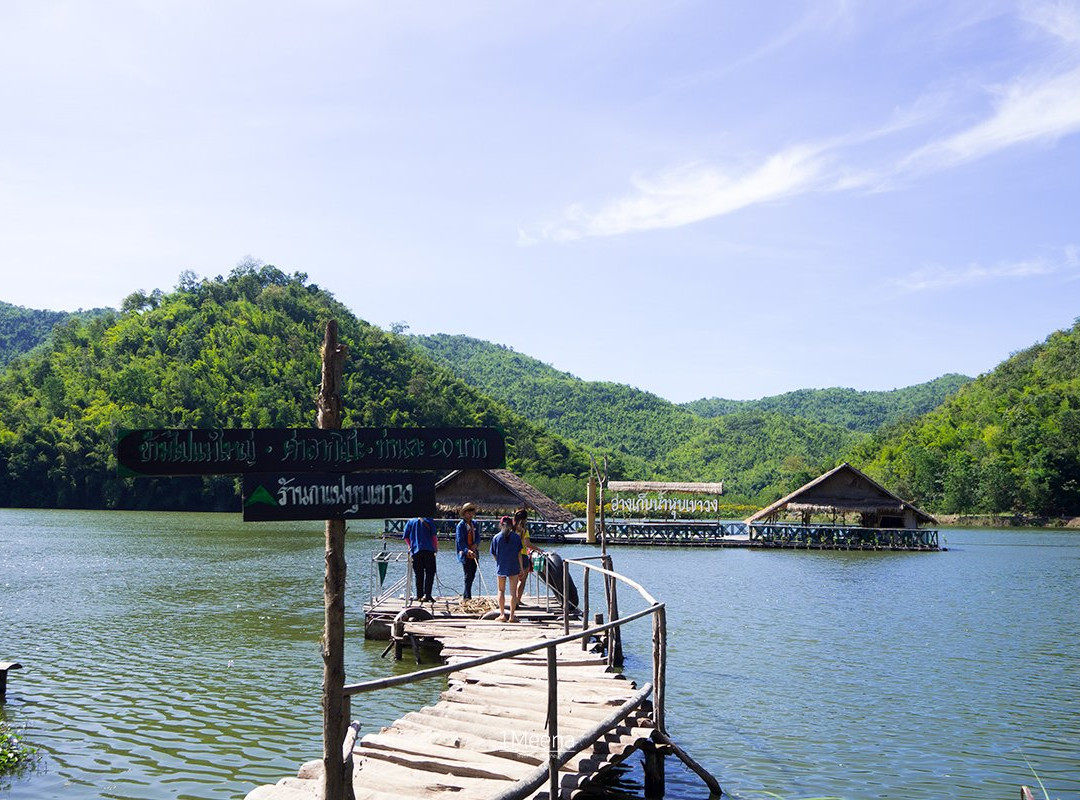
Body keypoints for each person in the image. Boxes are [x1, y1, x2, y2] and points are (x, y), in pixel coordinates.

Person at [491, 515, 522, 622]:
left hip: (501, 566)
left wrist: (499, 561)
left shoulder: (496, 538)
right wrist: (521, 568)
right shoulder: (517, 537)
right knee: (513, 592)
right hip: (514, 566)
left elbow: (494, 554)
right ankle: (512, 616)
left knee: (501, 590)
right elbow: (519, 554)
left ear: (501, 525)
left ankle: (502, 614)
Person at [402, 516, 437, 603]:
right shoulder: (429, 520)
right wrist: (435, 548)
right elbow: (434, 536)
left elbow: (406, 537)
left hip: (416, 551)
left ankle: (419, 595)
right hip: (428, 550)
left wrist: (411, 545)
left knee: (419, 574)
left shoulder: (411, 521)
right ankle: (428, 595)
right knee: (430, 573)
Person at [455, 502, 480, 599]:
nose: (470, 515)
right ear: (464, 513)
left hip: (474, 551)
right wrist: (467, 551)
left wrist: (475, 545)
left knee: (473, 574)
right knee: (467, 574)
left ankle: (467, 594)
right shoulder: (460, 526)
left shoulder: (475, 524)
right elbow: (460, 541)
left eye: (471, 513)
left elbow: (478, 537)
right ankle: (467, 596)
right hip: (465, 553)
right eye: (468, 513)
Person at [513, 507, 534, 605]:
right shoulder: (524, 531)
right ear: (525, 519)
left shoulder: (512, 530)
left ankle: (514, 599)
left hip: (513, 556)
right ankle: (518, 600)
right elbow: (527, 544)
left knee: (515, 579)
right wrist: (538, 549)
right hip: (523, 555)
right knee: (522, 580)